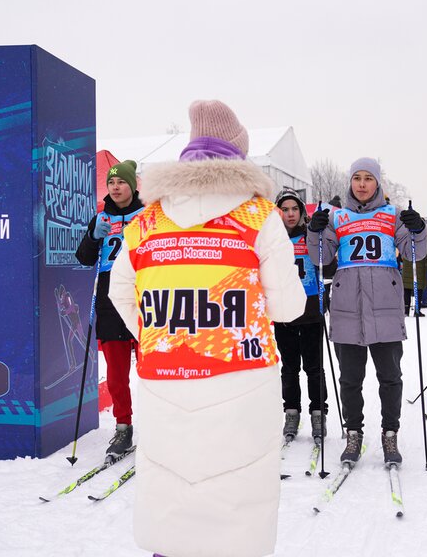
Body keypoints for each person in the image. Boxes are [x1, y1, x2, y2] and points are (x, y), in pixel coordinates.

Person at [108, 100, 305, 557]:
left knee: (169, 489)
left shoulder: (146, 220)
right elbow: (289, 307)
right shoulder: (259, 216)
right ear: (239, 157)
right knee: (237, 501)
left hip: (164, 380)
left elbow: (120, 292)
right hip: (241, 377)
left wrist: (164, 333)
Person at [307, 158, 427, 467]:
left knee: (390, 377)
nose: (361, 184)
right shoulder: (338, 216)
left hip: (385, 307)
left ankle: (390, 433)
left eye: (368, 178)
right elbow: (322, 255)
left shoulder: (392, 215)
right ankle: (353, 434)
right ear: (350, 182)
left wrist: (418, 230)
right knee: (350, 379)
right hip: (347, 308)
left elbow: (416, 252)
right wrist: (315, 231)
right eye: (356, 178)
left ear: (377, 183)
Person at [75, 159, 144, 459]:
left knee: (153, 369)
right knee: (116, 375)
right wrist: (94, 236)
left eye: (121, 182)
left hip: (144, 300)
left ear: (133, 185)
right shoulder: (100, 217)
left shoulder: (149, 215)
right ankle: (123, 426)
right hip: (110, 302)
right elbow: (84, 258)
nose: (116, 187)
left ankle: (160, 427)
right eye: (111, 183)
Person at [274, 187, 328, 443]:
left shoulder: (311, 235)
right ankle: (291, 412)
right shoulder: (273, 239)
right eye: (285, 209)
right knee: (289, 367)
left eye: (295, 209)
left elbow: (329, 263)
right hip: (284, 312)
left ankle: (318, 413)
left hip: (310, 311)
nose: (290, 214)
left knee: (314, 367)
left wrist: (320, 232)